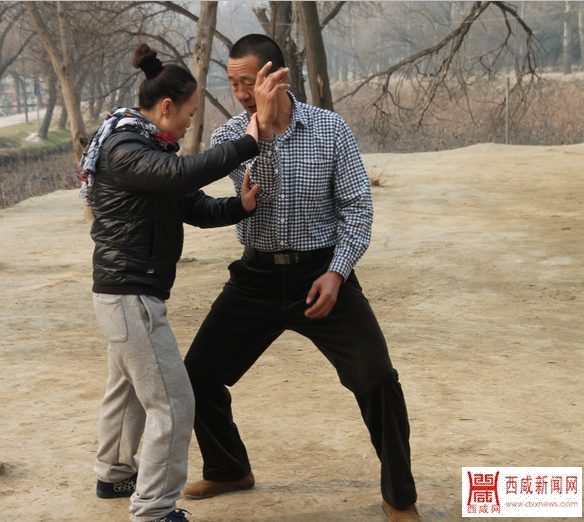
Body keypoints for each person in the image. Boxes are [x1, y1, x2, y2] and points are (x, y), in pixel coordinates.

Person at [182, 34, 421, 522]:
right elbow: (260, 194)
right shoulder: (231, 137)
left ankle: (400, 498)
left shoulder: (330, 129)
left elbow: (357, 208)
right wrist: (264, 133)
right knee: (195, 377)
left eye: (248, 82)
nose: (241, 93)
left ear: (276, 76)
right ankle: (229, 469)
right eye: (233, 83)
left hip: (323, 274)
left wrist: (337, 273)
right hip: (255, 278)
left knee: (378, 377)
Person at [81, 42, 286, 522]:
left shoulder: (147, 148)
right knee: (174, 403)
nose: (193, 122)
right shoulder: (125, 149)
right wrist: (249, 140)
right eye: (191, 113)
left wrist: (239, 206)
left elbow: (190, 203)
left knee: (127, 391)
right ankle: (154, 509)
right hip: (130, 295)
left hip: (125, 295)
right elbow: (181, 173)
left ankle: (114, 474)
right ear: (168, 106)